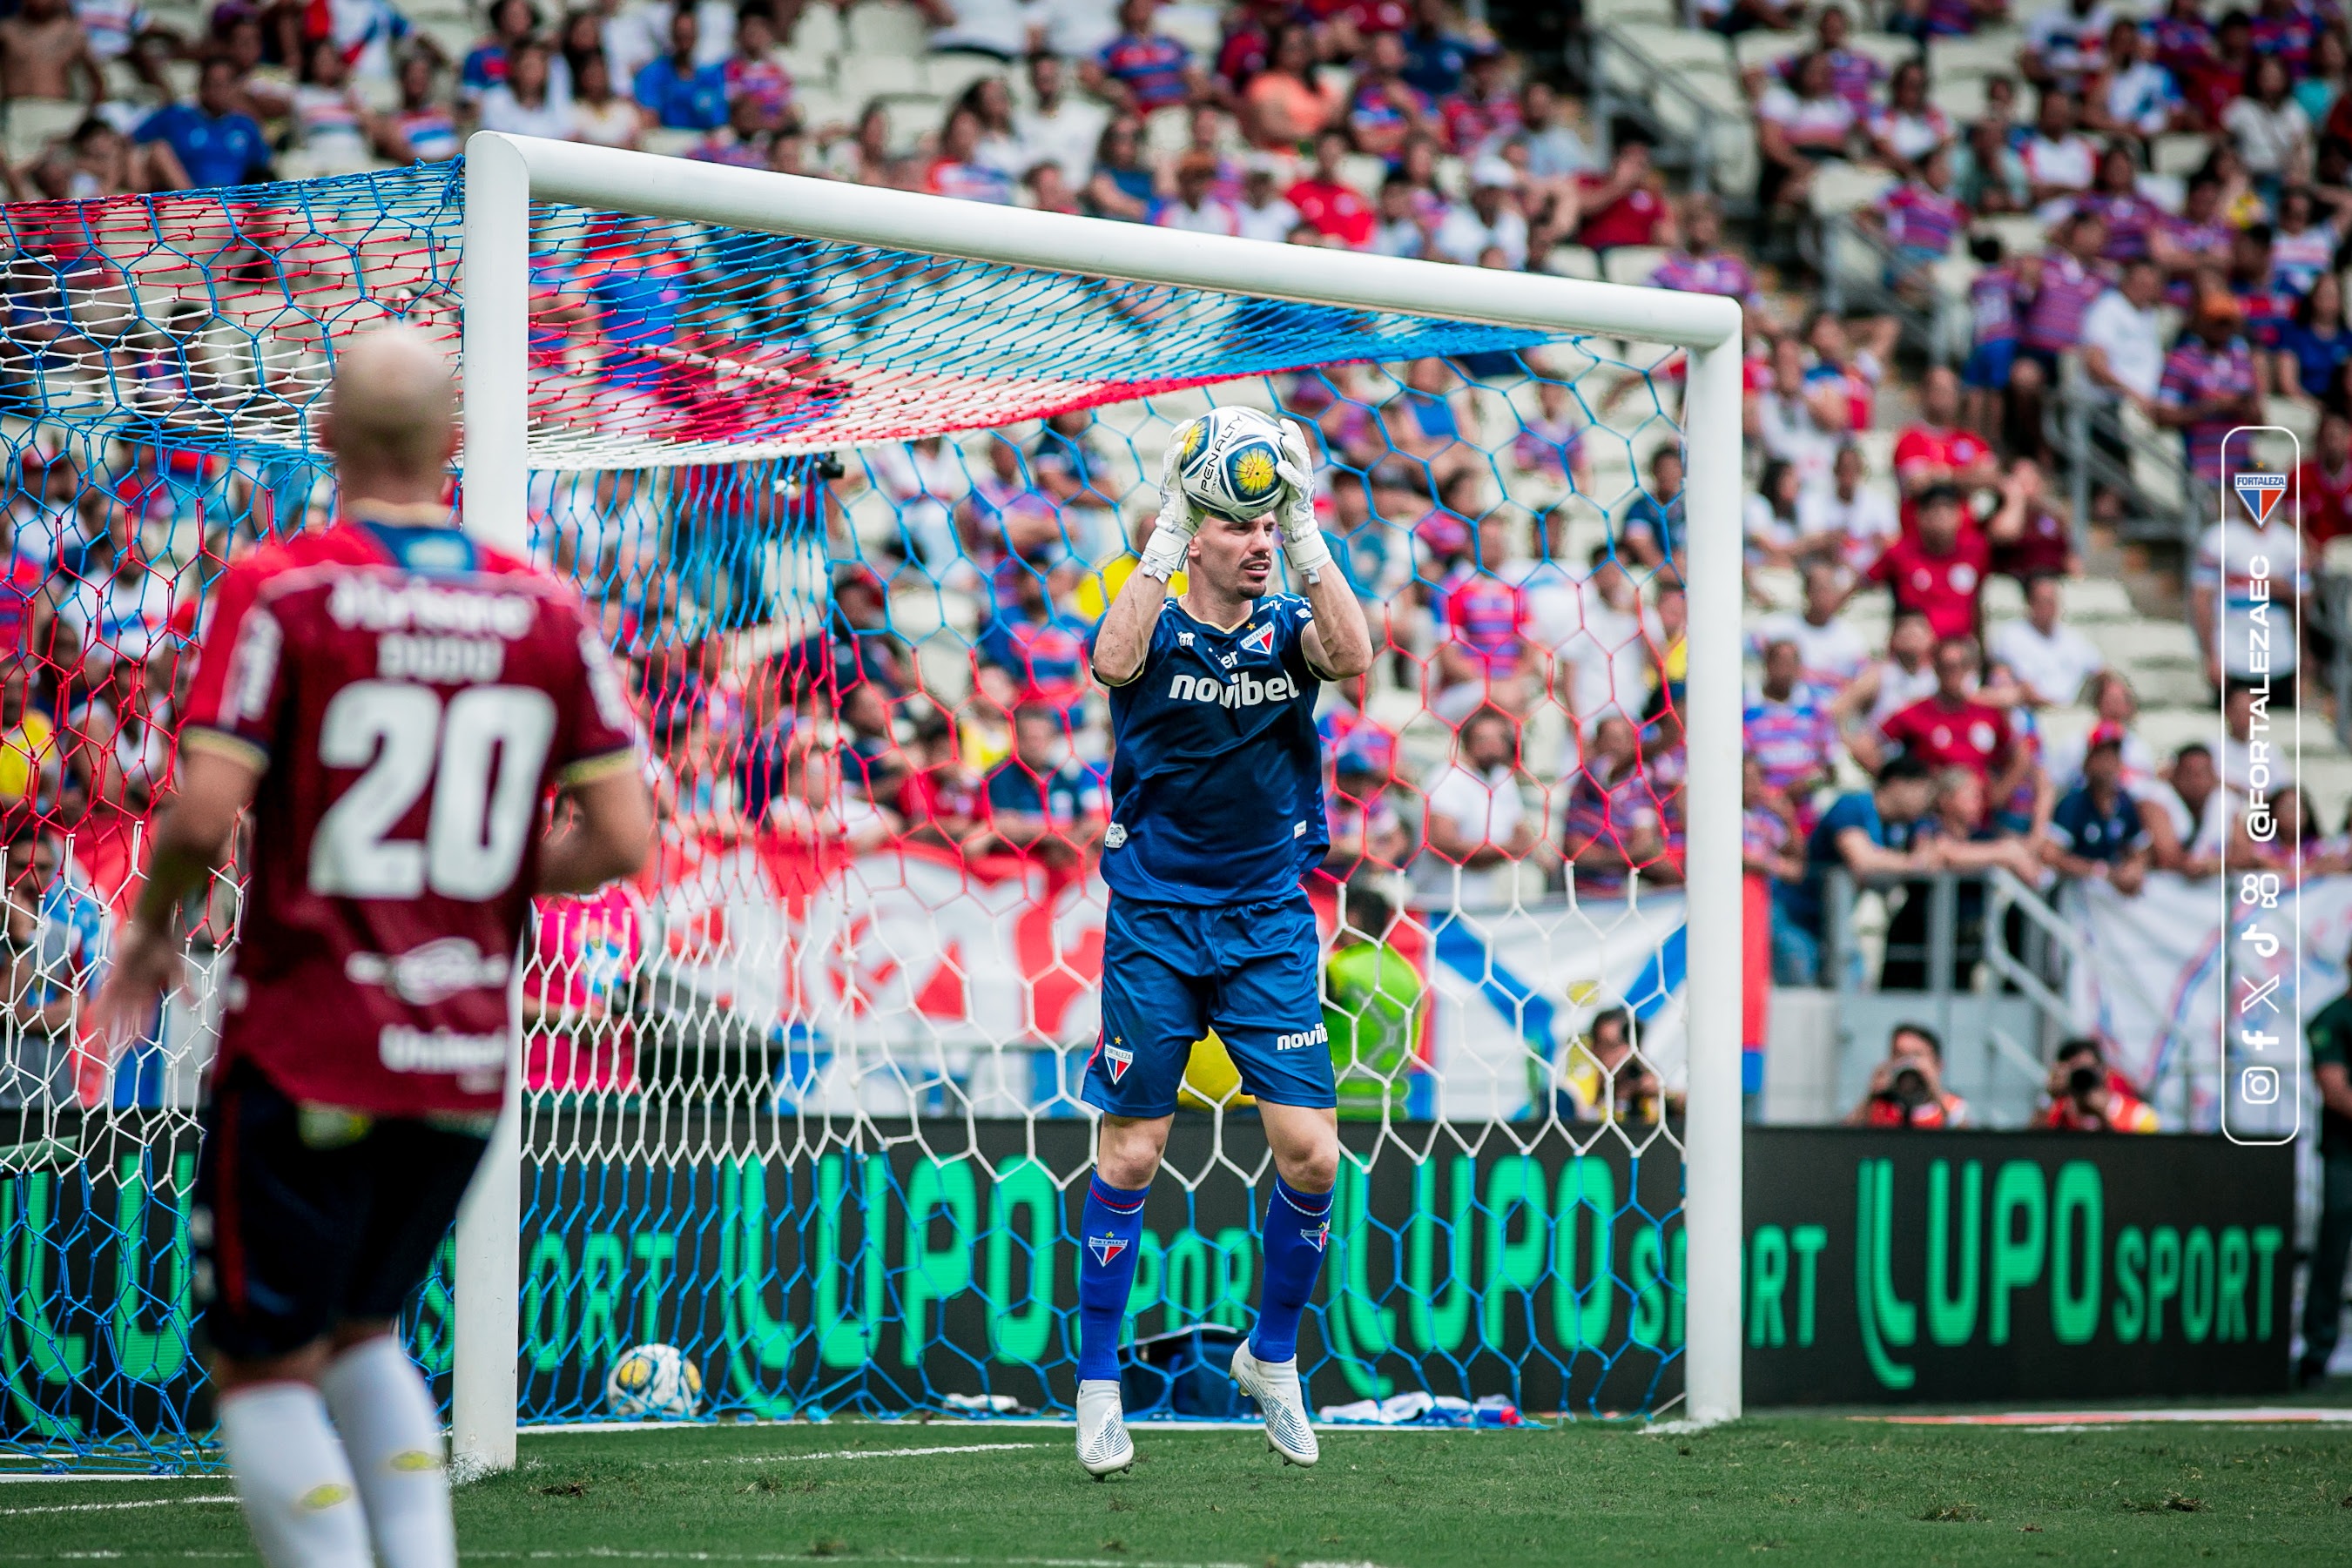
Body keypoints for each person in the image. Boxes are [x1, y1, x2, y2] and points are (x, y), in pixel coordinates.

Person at [87, 330, 654, 1568]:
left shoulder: (284, 586)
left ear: (327, 436)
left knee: (262, 1365)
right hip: (458, 1058)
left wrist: (149, 934)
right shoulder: (544, 607)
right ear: (454, 444)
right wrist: (492, 886)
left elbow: (195, 812)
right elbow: (620, 836)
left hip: (308, 1044)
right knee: (364, 1331)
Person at [1076, 409, 1372, 1476]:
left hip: (1265, 922)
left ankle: (1273, 1358)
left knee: (1312, 1154)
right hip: (1155, 916)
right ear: (1195, 533)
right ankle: (1100, 1385)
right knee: (1134, 1150)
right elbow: (1111, 663)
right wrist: (1161, 532)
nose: (1256, 542)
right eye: (1238, 526)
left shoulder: (1290, 621)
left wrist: (1301, 526)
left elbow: (1356, 652)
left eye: (1265, 525)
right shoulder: (1151, 620)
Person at [1776, 753, 1939, 984]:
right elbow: (1862, 860)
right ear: (1897, 784)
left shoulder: (1908, 822)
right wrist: (1913, 863)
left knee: (1852, 984)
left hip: (1835, 923)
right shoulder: (1851, 806)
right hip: (1796, 916)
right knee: (1803, 990)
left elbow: (1936, 853)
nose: (1925, 800)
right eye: (1922, 791)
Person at [1322, 877, 1422, 1120]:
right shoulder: (1409, 974)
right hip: (1394, 1111)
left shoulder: (1338, 970)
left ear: (1352, 918)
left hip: (1341, 1111)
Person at [2300, 958, 2352, 1384]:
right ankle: (2317, 1351)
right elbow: (2336, 1092)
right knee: (2334, 1246)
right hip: (2345, 1154)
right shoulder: (2331, 1018)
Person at [2043, 723, 2148, 892]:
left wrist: (2134, 868)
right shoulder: (2074, 803)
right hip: (2077, 895)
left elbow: (2140, 847)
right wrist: (2098, 871)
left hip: (2109, 896)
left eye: (2112, 756)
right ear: (2087, 761)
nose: (2107, 764)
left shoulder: (2124, 802)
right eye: (2100, 756)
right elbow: (2050, 855)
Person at [1991, 573, 2105, 708]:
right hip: (2033, 713)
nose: (2049, 608)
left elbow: (2100, 670)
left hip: (2075, 713)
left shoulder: (2073, 638)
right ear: (2031, 603)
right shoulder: (2012, 636)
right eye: (2044, 601)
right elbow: (2023, 689)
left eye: (2053, 601)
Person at [1847, 1021, 1968, 1127]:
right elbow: (1845, 1137)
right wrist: (1871, 1096)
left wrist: (1936, 1091)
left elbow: (1965, 1141)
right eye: (1900, 1055)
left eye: (1916, 1055)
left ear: (1938, 1065)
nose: (1908, 1063)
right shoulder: (1880, 1106)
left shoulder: (1953, 1106)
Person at [2038, 1036, 2159, 1131]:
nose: (2082, 1077)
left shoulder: (2139, 1116)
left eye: (2088, 1070)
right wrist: (2048, 1097)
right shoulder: (2057, 1112)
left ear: (2104, 1070)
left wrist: (2102, 1116)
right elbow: (2030, 1149)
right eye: (2075, 1072)